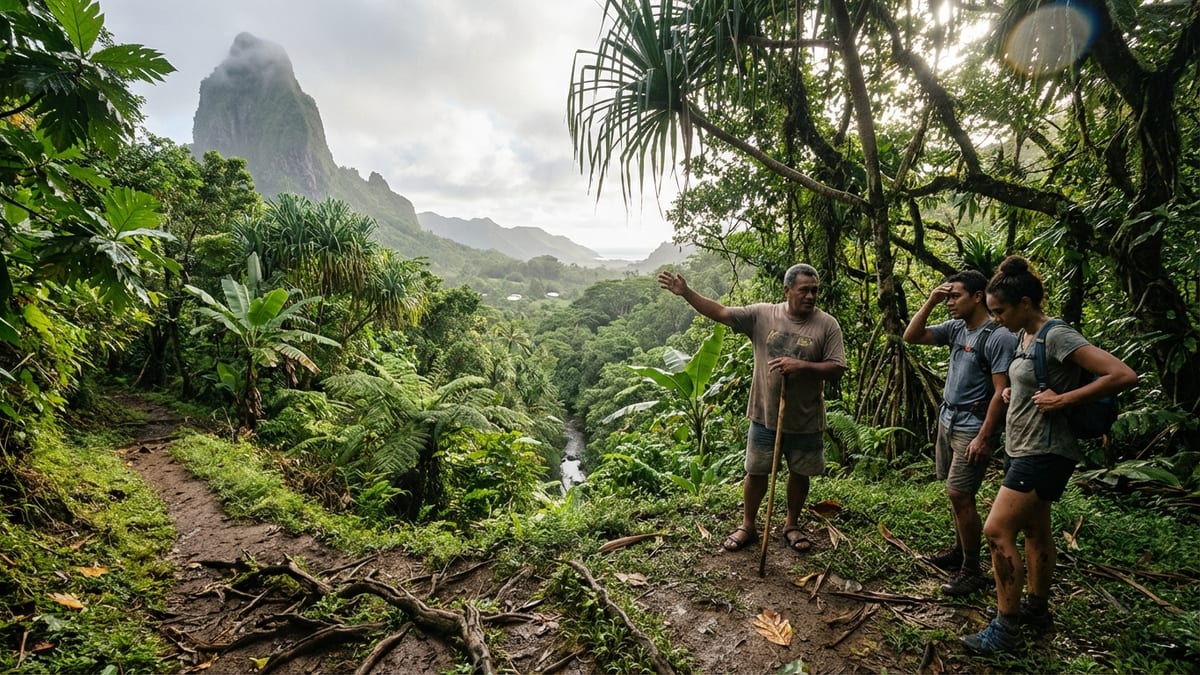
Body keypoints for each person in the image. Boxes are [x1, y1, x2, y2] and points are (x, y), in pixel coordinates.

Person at [963, 255, 1137, 655]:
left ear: (1026, 303)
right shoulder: (1024, 336)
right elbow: (1035, 380)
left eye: (1001, 311)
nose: (996, 319)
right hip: (1021, 446)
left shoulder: (1057, 334)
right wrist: (1014, 393)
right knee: (1035, 531)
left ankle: (1006, 630)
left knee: (995, 531)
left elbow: (1123, 374)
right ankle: (1037, 610)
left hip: (1044, 452)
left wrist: (1066, 398)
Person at [658, 264, 847, 555]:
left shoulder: (827, 325)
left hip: (806, 418)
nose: (810, 296)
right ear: (787, 291)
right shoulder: (762, 315)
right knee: (756, 472)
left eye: (814, 291)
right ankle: (748, 525)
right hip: (764, 415)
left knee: (799, 474)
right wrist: (686, 293)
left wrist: (801, 366)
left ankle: (792, 525)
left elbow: (837, 368)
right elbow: (720, 312)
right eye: (804, 290)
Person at [903, 270, 1017, 596]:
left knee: (959, 494)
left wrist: (984, 436)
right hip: (948, 419)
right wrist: (932, 299)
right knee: (956, 495)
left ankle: (972, 569)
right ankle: (959, 552)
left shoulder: (998, 337)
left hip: (973, 425)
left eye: (955, 296)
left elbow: (1001, 392)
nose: (949, 302)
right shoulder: (956, 329)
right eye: (948, 296)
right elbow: (911, 336)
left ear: (978, 296)